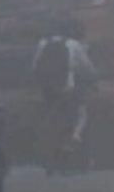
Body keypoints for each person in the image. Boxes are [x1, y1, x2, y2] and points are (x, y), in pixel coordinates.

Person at [32, 15, 99, 171]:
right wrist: (94, 81)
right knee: (81, 114)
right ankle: (74, 138)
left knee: (50, 116)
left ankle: (48, 152)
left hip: (47, 89)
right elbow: (87, 69)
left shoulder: (42, 43)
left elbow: (34, 67)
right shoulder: (73, 45)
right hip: (67, 89)